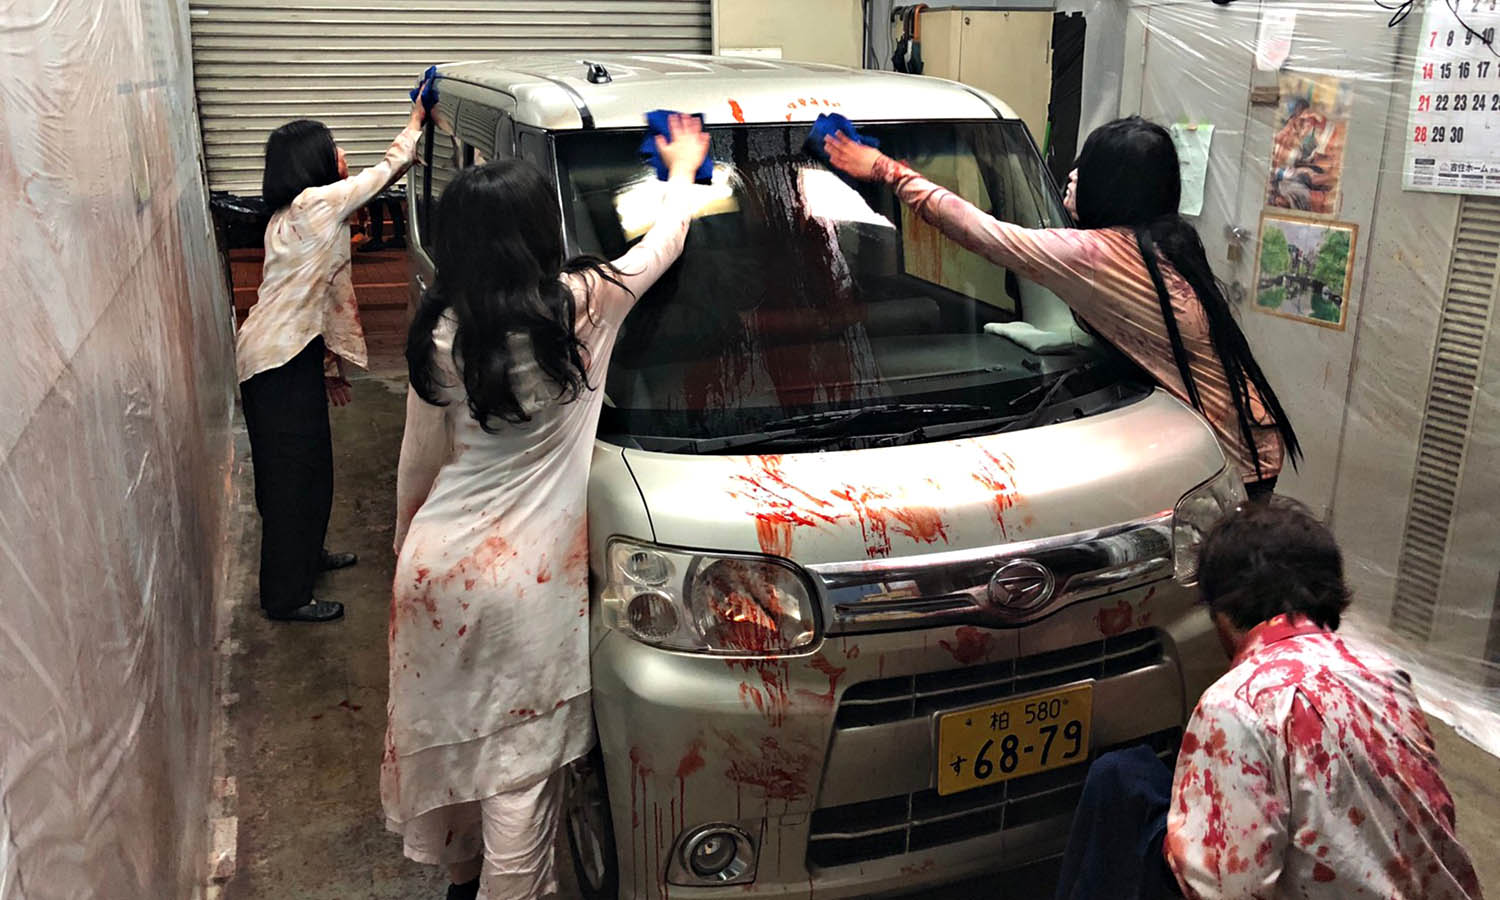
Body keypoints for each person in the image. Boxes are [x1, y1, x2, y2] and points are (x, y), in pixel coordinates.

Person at [383, 115, 710, 899]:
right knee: (520, 779)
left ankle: (460, 879)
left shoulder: (444, 331)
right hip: (525, 590)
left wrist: (401, 554)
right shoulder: (580, 308)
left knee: (457, 743)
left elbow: (417, 468)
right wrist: (683, 168)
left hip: (435, 569)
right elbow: (664, 242)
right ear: (541, 231)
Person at [825, 117, 1300, 497]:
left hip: (1234, 456)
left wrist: (888, 170)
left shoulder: (1100, 256)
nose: (1072, 175)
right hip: (1241, 437)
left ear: (1113, 186)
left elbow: (982, 233)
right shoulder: (1165, 242)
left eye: (1086, 168)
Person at [1052, 498, 1483, 900]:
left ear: (1222, 614)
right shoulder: (1384, 673)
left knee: (1120, 780)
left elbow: (1227, 889)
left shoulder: (1238, 703)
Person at [236, 87, 428, 623]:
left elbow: (318, 298)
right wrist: (417, 118)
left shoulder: (289, 214)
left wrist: (327, 369)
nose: (342, 154)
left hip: (284, 354)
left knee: (310, 467)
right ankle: (286, 596)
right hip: (276, 361)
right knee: (290, 478)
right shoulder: (315, 204)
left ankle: (307, 555)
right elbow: (386, 171)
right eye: (334, 147)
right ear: (312, 162)